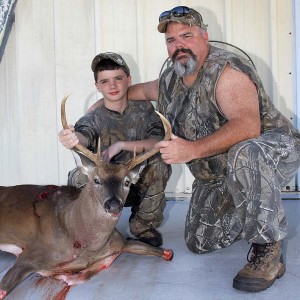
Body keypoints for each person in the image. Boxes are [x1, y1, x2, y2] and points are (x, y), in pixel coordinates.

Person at [89, 6, 300, 292]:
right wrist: (100, 104)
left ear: (204, 36)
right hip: (221, 171)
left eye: (186, 36)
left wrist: (191, 150)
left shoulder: (226, 72)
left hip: (272, 151)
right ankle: (249, 209)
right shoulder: (172, 79)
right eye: (171, 41)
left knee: (246, 153)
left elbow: (247, 127)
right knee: (200, 242)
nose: (179, 46)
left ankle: (267, 251)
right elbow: (137, 91)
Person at [58, 52, 171, 247]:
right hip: (103, 187)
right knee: (79, 177)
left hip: (133, 183)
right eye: (105, 81)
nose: (112, 86)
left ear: (129, 80)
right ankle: (94, 226)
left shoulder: (145, 110)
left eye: (118, 79)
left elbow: (158, 142)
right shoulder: (93, 117)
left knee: (159, 163)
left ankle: (142, 225)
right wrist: (74, 138)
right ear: (97, 86)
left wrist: (120, 146)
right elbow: (84, 135)